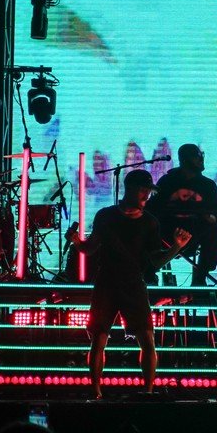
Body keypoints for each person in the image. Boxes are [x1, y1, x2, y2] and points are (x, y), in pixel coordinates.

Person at [68, 169, 190, 399]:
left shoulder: (149, 222)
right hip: (107, 282)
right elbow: (90, 248)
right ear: (131, 189)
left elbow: (155, 260)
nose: (147, 196)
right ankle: (95, 392)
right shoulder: (106, 216)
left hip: (133, 282)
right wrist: (76, 241)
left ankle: (148, 392)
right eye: (144, 190)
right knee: (99, 339)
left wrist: (176, 247)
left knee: (147, 339)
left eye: (148, 192)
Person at [147, 144, 217, 286]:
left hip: (196, 233)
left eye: (201, 156)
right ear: (185, 159)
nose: (201, 159)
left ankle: (200, 278)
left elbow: (216, 214)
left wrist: (210, 218)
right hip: (167, 232)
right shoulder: (167, 181)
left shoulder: (208, 185)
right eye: (197, 156)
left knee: (216, 230)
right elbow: (152, 209)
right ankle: (149, 273)